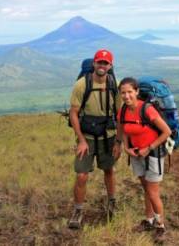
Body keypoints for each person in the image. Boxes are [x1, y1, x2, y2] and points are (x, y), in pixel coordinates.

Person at [68, 49, 122, 228]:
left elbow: (120, 114)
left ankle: (112, 202)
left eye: (105, 63)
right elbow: (73, 114)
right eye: (99, 62)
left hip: (108, 136)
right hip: (88, 137)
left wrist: (119, 142)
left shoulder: (115, 84)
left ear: (110, 65)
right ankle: (78, 210)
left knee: (109, 170)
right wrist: (81, 140)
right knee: (82, 175)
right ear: (94, 63)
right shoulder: (82, 85)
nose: (102, 66)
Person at [117, 77, 171, 241]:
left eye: (130, 92)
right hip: (136, 154)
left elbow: (166, 132)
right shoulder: (123, 111)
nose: (126, 96)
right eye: (123, 93)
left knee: (153, 193)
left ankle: (160, 226)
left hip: (152, 154)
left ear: (137, 92)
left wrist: (149, 148)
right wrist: (126, 148)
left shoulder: (147, 109)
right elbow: (124, 129)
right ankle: (148, 220)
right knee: (146, 189)